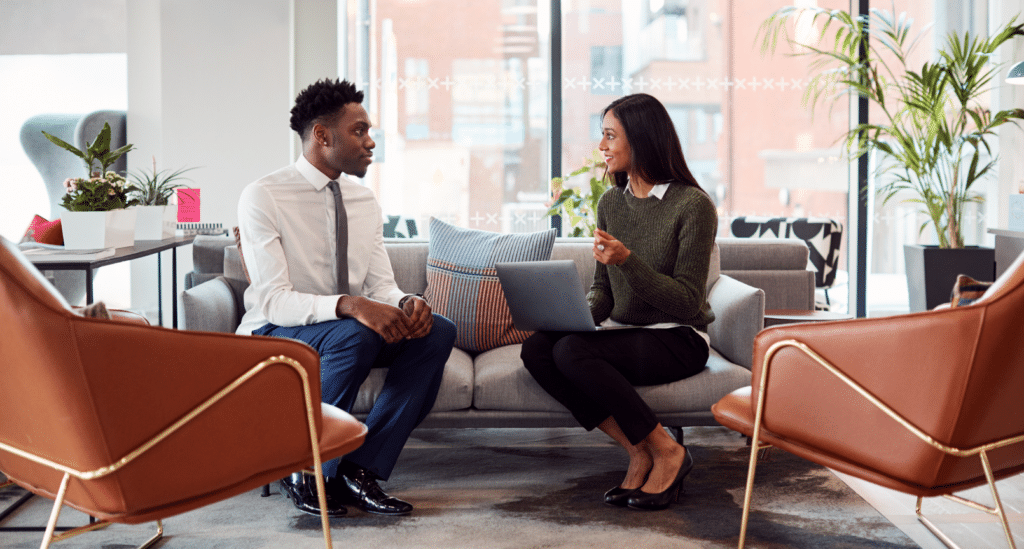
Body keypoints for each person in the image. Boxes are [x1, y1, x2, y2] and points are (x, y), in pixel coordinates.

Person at [236, 78, 457, 518]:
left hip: (350, 331)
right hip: (277, 329)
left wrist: (407, 302)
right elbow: (275, 300)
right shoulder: (264, 196)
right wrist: (351, 305)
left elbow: (380, 286)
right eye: (359, 131)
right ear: (322, 135)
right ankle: (306, 466)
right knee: (354, 335)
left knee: (437, 333)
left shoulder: (364, 200)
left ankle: (360, 467)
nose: (370, 142)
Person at [520, 93, 716, 511]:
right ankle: (637, 448)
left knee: (572, 352)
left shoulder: (693, 206)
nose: (601, 146)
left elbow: (686, 301)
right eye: (602, 135)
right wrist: (570, 315)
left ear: (641, 140)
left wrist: (628, 261)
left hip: (678, 338)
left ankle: (668, 450)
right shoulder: (611, 202)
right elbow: (603, 291)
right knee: (538, 347)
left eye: (610, 136)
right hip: (626, 334)